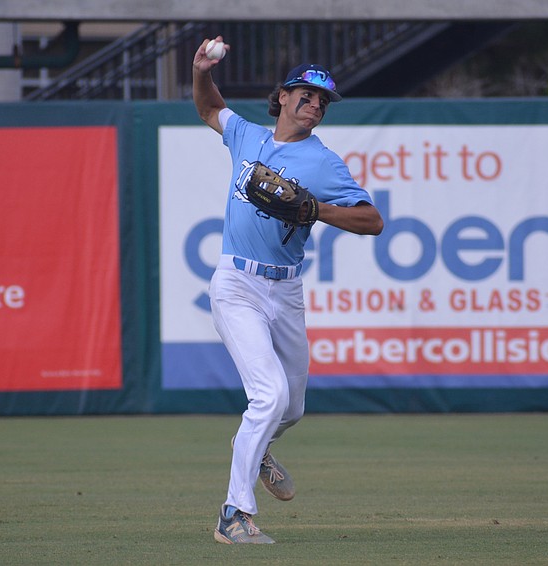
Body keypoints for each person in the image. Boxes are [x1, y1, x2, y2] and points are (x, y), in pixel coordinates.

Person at [192, 36, 384, 544]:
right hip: (236, 283)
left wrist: (318, 210)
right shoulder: (247, 136)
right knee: (269, 394)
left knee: (292, 408)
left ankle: (253, 448)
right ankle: (234, 515)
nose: (315, 104)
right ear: (281, 96)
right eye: (306, 93)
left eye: (323, 100)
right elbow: (210, 106)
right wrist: (200, 70)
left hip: (286, 290)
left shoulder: (324, 163)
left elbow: (372, 220)